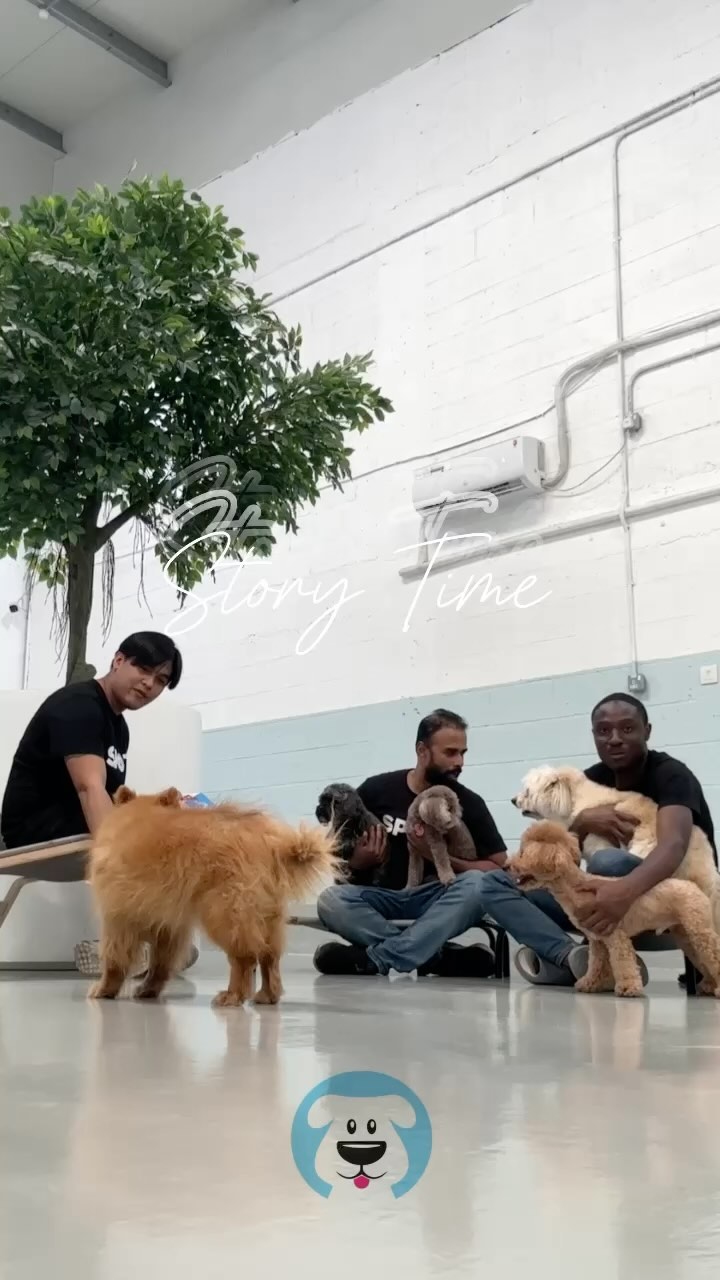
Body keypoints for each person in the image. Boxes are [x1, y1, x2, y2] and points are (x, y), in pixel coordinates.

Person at [477, 692, 717, 987]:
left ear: (648, 731)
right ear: (594, 736)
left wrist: (624, 892)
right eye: (603, 731)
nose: (614, 739)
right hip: (599, 908)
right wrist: (582, 821)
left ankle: (602, 962)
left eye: (627, 728)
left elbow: (674, 845)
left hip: (660, 902)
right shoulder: (588, 780)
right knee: (493, 884)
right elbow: (564, 857)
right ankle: (570, 958)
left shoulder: (672, 775)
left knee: (608, 861)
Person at [0, 630, 197, 976]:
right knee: (142, 842)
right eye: (144, 669)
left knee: (168, 828)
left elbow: (112, 799)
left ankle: (148, 938)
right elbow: (90, 788)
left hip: (69, 820)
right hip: (34, 828)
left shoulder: (118, 727)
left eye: (161, 680)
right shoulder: (79, 706)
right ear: (118, 661)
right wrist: (123, 852)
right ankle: (130, 944)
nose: (150, 684)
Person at [313, 708, 508, 977]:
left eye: (463, 753)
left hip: (435, 898)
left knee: (478, 885)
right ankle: (435, 956)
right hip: (383, 898)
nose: (459, 762)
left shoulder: (469, 803)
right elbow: (335, 850)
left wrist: (440, 859)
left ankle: (379, 958)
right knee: (330, 900)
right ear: (422, 751)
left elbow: (498, 871)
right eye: (450, 752)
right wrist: (359, 860)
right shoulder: (376, 789)